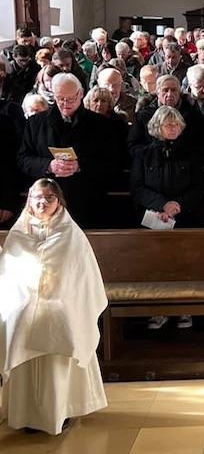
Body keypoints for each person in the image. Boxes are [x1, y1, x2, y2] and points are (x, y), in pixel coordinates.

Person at [0, 179, 108, 434]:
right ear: (28, 200)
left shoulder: (71, 234)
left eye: (49, 198)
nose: (42, 202)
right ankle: (25, 414)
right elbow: (9, 275)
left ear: (59, 203)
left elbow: (81, 276)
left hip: (63, 303)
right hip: (25, 304)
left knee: (58, 322)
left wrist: (55, 299)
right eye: (37, 197)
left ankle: (61, 410)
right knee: (17, 320)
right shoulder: (18, 233)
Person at [18, 73, 115, 228]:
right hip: (46, 205)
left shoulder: (101, 125)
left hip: (87, 203)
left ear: (81, 94)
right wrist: (49, 165)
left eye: (70, 98)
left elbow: (112, 162)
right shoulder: (36, 123)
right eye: (60, 98)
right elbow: (23, 160)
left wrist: (80, 165)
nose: (64, 103)